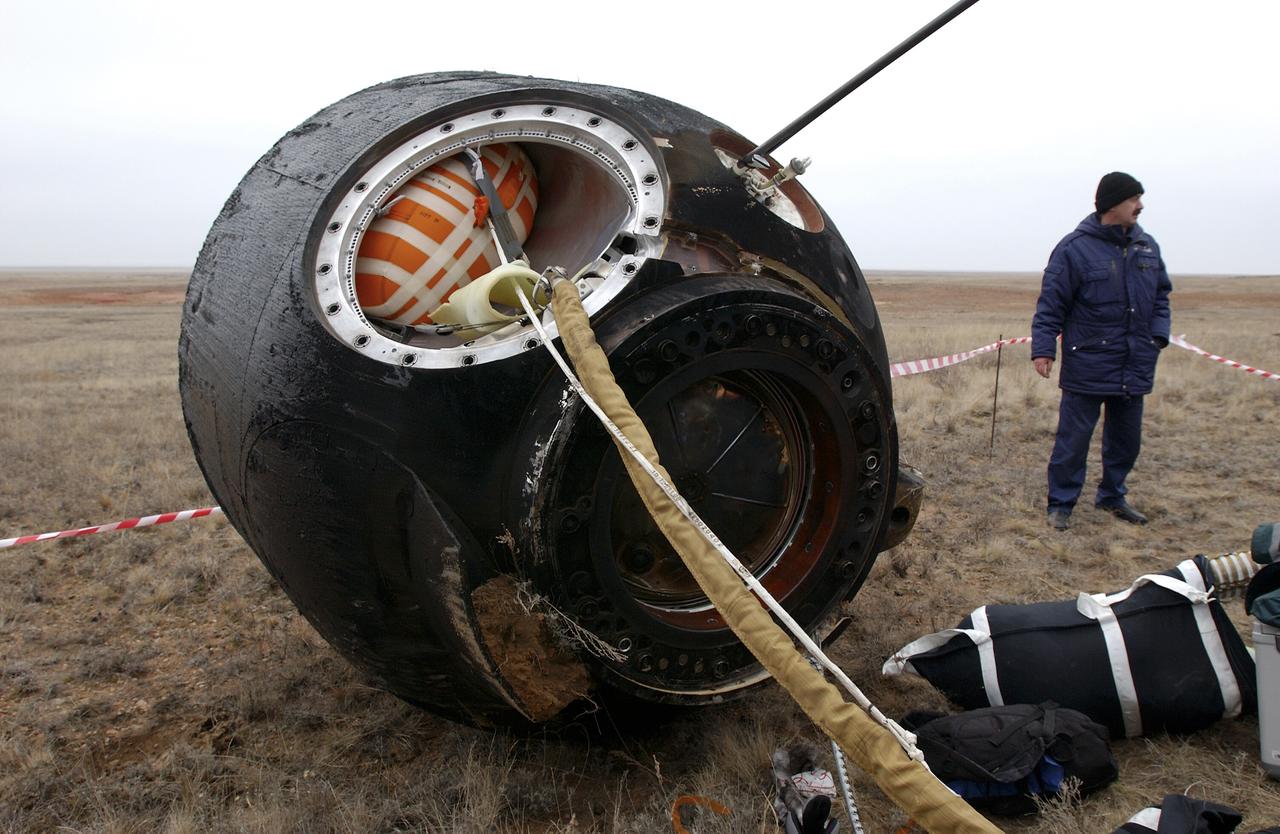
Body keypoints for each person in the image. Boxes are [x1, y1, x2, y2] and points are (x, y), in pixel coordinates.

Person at [1031, 172, 1172, 531]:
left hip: (1134, 363)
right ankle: (1061, 503)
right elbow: (1052, 304)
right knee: (1073, 441)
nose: (1140, 206)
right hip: (1088, 363)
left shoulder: (1147, 247)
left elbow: (1161, 298)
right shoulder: (1073, 249)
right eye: (1133, 199)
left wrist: (1157, 336)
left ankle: (1113, 496)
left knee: (1126, 442)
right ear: (1112, 204)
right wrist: (1043, 349)